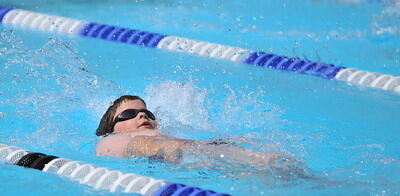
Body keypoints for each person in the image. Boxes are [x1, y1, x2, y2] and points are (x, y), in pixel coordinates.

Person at [96, 95, 280, 164]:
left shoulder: (159, 134)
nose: (142, 116)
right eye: (129, 113)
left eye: (147, 112)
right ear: (111, 126)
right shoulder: (112, 139)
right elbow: (142, 144)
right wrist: (164, 148)